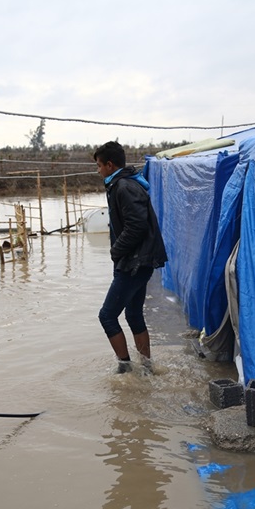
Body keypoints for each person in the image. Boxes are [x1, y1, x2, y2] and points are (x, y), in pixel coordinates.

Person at [94, 141, 168, 373]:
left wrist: (116, 251)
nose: (98, 170)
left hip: (134, 262)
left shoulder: (124, 186)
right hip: (138, 261)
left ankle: (125, 368)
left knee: (107, 316)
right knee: (133, 313)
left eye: (99, 165)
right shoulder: (124, 183)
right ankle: (147, 368)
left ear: (109, 164)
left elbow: (136, 227)